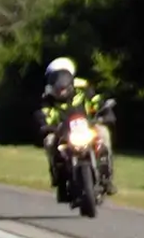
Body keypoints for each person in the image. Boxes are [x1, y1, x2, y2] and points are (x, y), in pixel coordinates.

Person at [36, 58, 117, 197]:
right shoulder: (48, 98)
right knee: (49, 141)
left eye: (63, 77)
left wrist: (105, 113)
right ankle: (56, 174)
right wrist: (45, 125)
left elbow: (97, 102)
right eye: (55, 77)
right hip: (62, 131)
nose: (60, 85)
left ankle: (107, 176)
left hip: (88, 126)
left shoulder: (83, 89)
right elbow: (43, 114)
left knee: (104, 133)